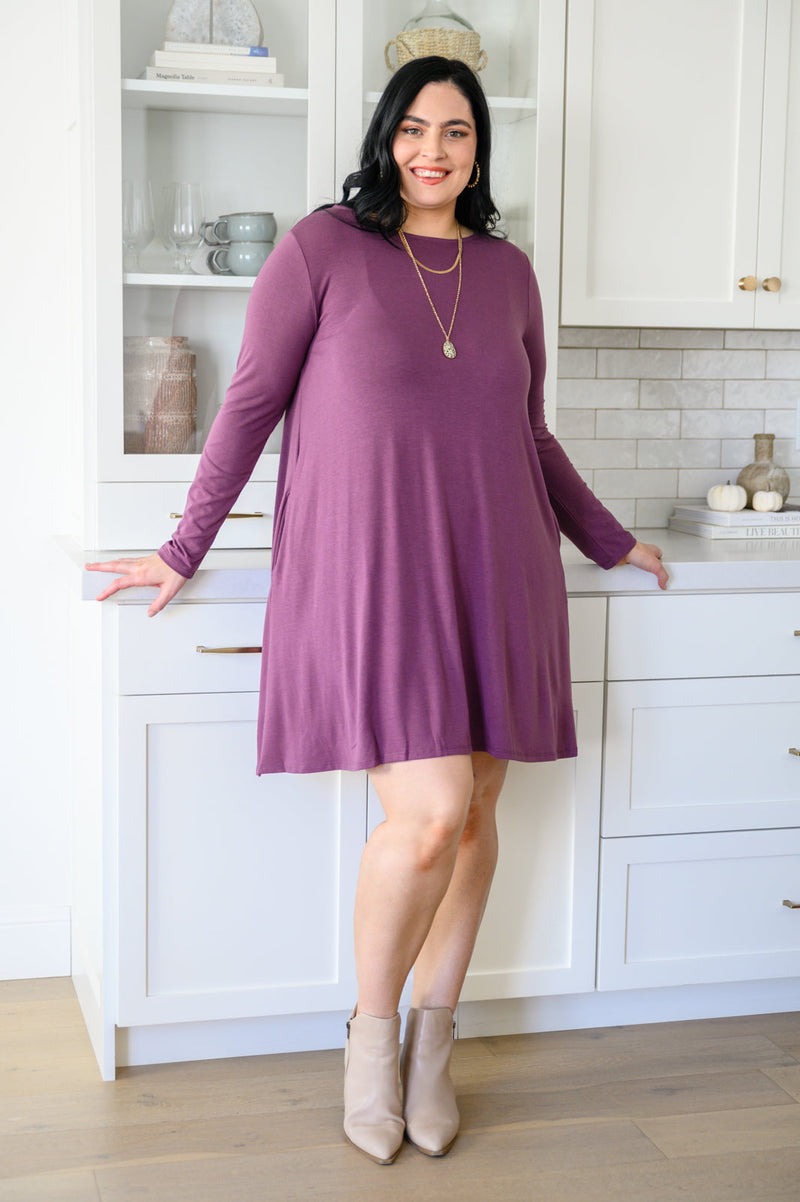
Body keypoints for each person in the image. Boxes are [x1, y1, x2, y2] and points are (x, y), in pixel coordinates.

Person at [88, 55, 668, 1165]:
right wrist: (181, 547)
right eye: (413, 129)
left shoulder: (508, 271)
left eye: (456, 132)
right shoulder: (322, 249)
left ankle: (432, 1043)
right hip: (374, 568)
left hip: (499, 563)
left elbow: (530, 432)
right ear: (385, 138)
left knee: (477, 811)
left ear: (478, 151)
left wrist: (604, 537)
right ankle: (369, 1037)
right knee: (432, 811)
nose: (432, 151)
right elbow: (249, 405)